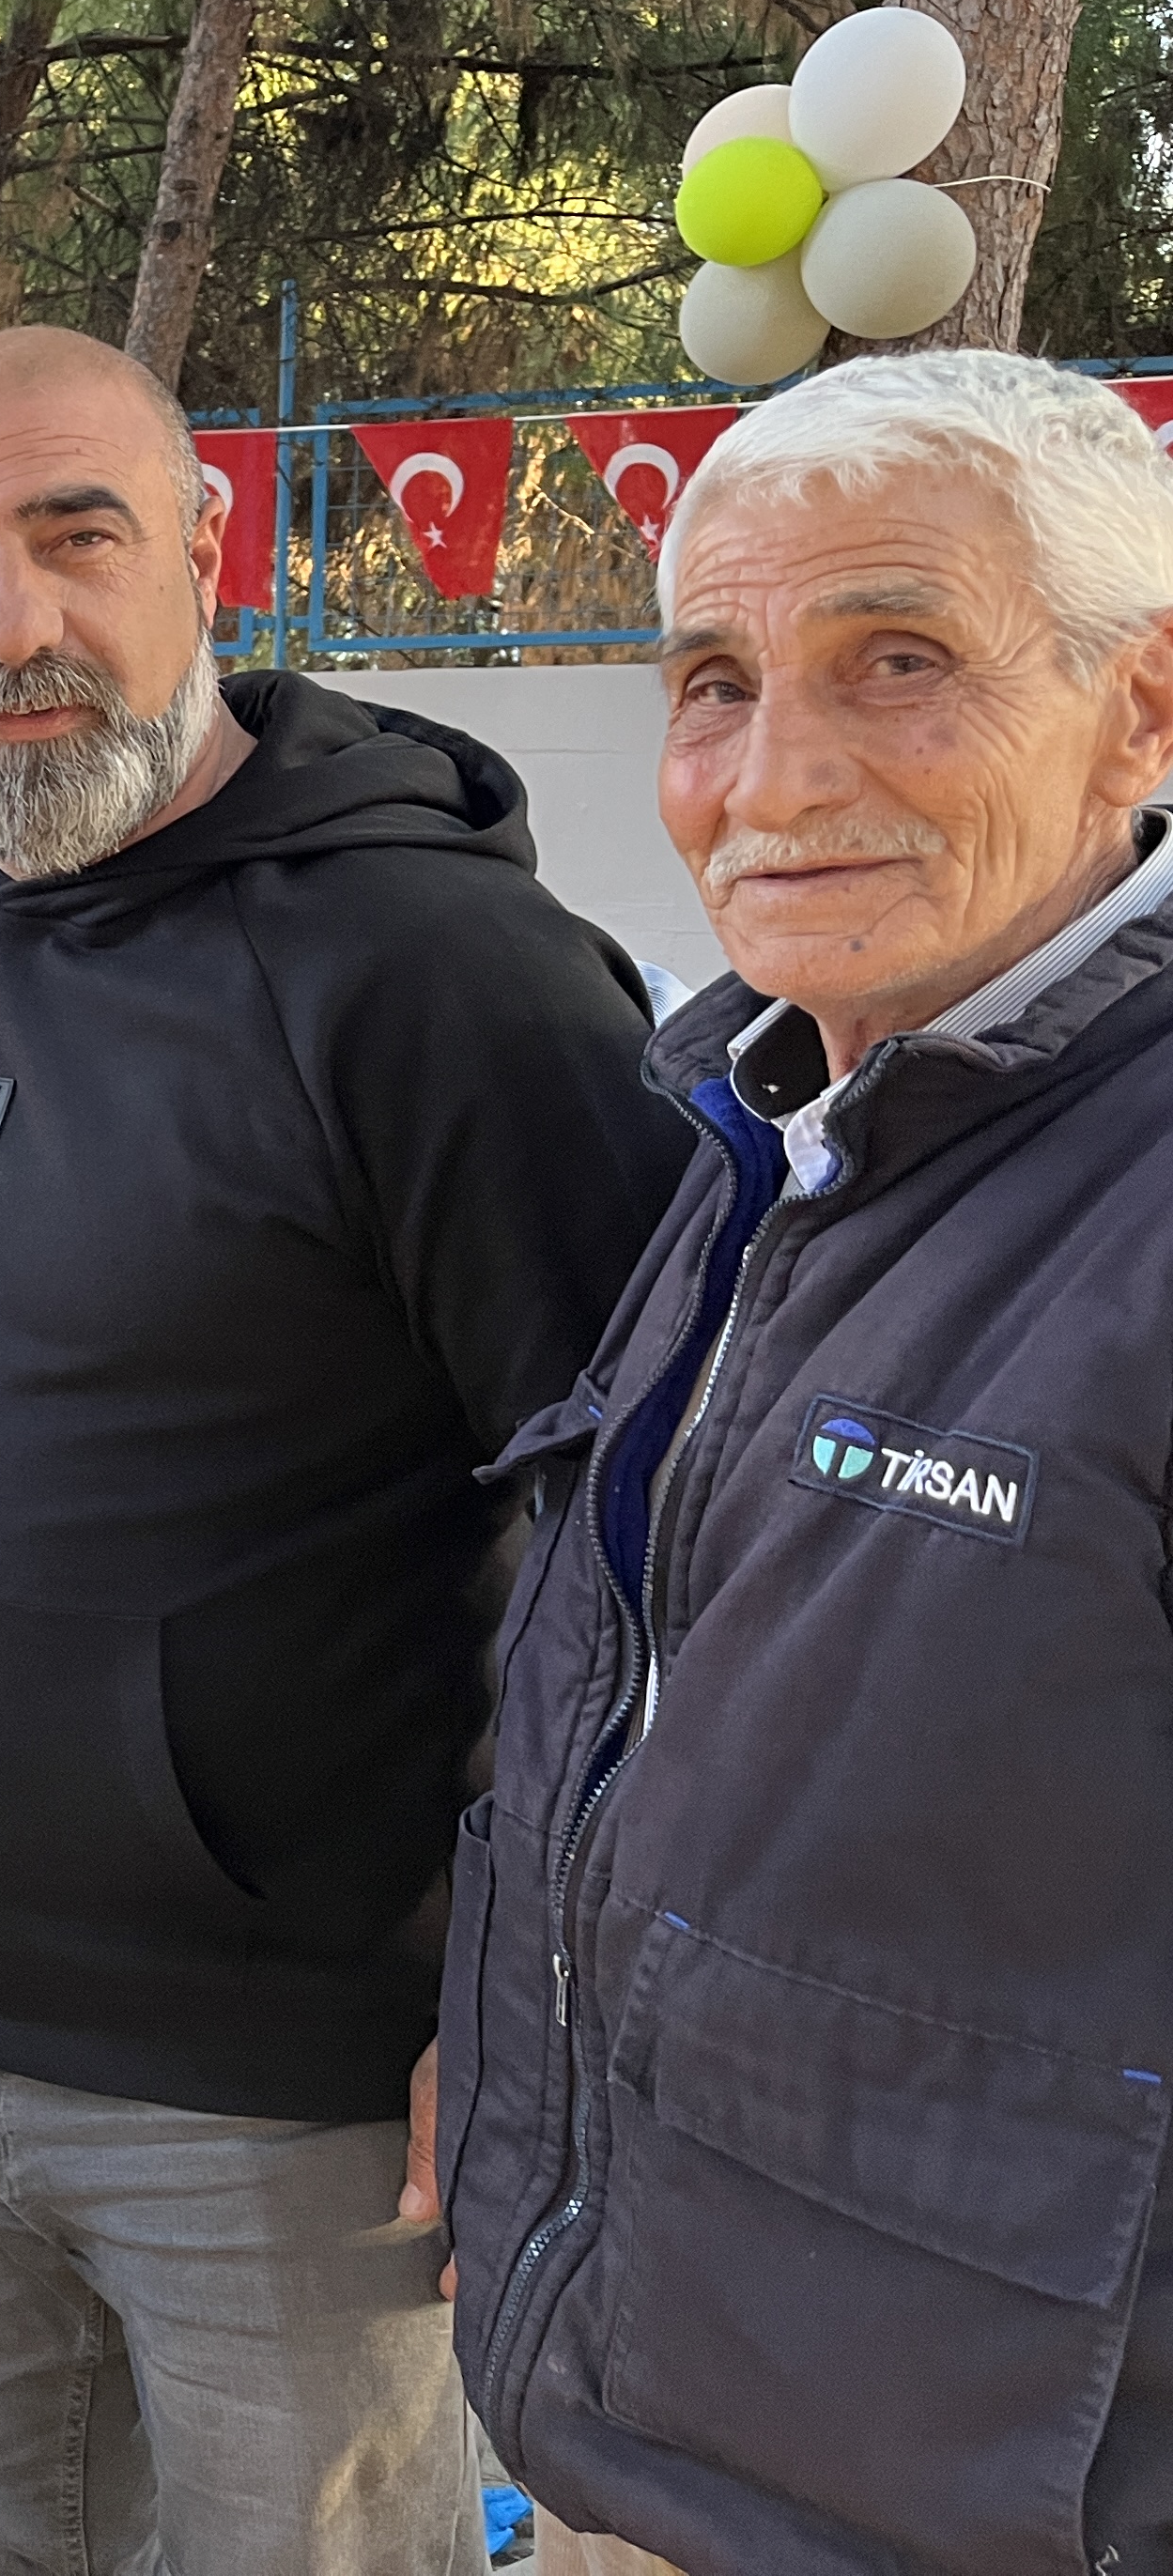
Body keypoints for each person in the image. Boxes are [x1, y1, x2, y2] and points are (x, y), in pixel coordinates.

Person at [0, 325, 687, 2576]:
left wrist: (531, 1989)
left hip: (289, 2091)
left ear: (210, 551)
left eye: (76, 538)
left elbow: (655, 1530)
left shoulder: (443, 975)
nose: (10, 622)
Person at [444, 352, 1173, 2576]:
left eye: (900, 663)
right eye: (715, 680)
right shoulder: (763, 1107)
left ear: (1146, 712)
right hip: (637, 2440)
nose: (777, 776)